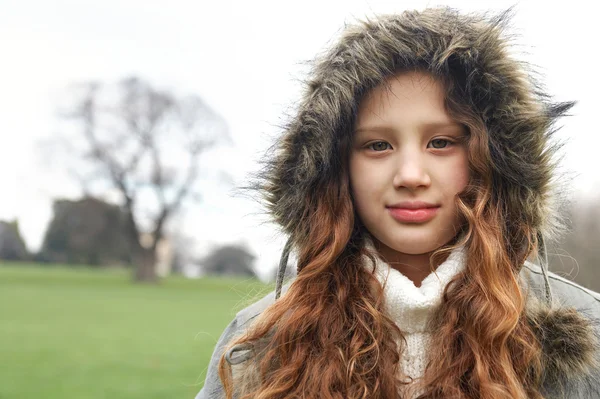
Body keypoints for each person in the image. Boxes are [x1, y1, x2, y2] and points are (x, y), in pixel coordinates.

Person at [196, 7, 600, 399]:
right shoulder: (262, 340)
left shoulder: (586, 332)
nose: (410, 175)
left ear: (492, 158)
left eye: (440, 142)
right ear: (336, 168)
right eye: (377, 145)